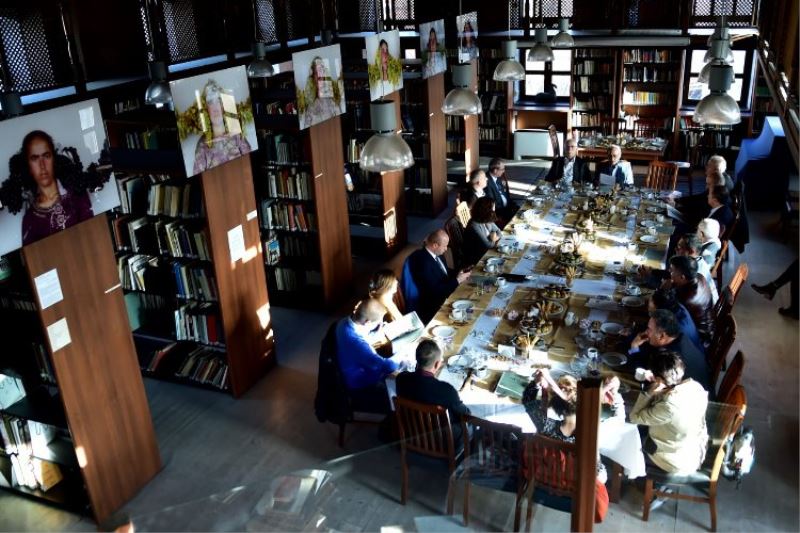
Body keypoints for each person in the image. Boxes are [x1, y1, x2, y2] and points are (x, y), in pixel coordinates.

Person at [523, 369, 623, 483]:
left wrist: (535, 383)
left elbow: (528, 401)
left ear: (556, 407)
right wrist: (615, 392)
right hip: (580, 489)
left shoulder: (545, 426)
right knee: (601, 475)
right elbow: (620, 419)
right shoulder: (595, 431)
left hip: (550, 480)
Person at [629, 351, 709, 476]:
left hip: (676, 461)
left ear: (659, 380)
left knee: (627, 443)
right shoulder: (695, 386)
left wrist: (648, 393)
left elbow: (634, 417)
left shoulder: (669, 406)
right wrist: (661, 385)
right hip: (693, 448)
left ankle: (642, 481)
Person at [12, 131, 95, 245]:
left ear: (54, 159)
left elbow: (92, 233)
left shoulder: (77, 193)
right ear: (29, 167)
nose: (42, 165)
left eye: (46, 156)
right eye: (35, 158)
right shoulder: (30, 220)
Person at [396, 339, 471, 444]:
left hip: (410, 432)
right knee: (470, 426)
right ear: (437, 364)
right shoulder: (446, 390)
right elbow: (466, 414)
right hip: (438, 441)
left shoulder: (401, 378)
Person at [336, 299, 400, 414]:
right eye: (378, 323)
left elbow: (361, 340)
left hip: (349, 369)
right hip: (361, 385)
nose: (379, 324)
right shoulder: (358, 344)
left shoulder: (343, 322)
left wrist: (374, 333)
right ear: (367, 322)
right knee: (401, 390)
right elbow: (388, 366)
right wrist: (402, 358)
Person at [628, 309, 711, 391]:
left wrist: (634, 347)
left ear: (662, 336)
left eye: (649, 329)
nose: (646, 332)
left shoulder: (670, 357)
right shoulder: (681, 338)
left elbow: (641, 374)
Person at [405, 229, 471, 323]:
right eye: (445, 246)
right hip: (433, 304)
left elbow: (445, 272)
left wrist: (459, 272)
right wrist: (457, 280)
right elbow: (435, 291)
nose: (446, 249)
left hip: (444, 292)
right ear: (435, 245)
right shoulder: (423, 263)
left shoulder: (437, 254)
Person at [192, 80, 252, 175]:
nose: (215, 107)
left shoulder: (237, 135)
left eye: (218, 100)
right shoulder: (202, 146)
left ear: (223, 106)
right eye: (210, 102)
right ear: (205, 109)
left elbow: (250, 164)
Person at [664, 255, 714, 345]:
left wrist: (663, 290)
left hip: (695, 339)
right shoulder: (699, 277)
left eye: (671, 271)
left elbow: (664, 313)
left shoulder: (685, 299)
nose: (669, 272)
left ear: (682, 277)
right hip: (706, 328)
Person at [648, 287, 705, 356]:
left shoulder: (673, 326)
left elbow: (659, 343)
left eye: (651, 310)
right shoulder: (677, 306)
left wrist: (634, 348)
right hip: (696, 350)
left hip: (685, 356)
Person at [300, 56, 343, 129]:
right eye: (317, 73)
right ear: (313, 77)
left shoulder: (332, 102)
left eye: (321, 71)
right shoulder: (310, 107)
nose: (320, 76)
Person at [462, 197, 502, 266]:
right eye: (492, 210)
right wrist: (493, 238)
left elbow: (499, 231)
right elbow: (488, 245)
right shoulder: (474, 225)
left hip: (487, 251)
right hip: (478, 257)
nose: (494, 211)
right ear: (486, 211)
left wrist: (494, 237)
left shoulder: (485, 218)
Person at [484, 158, 517, 225]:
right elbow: (492, 203)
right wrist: (508, 211)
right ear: (495, 170)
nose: (504, 171)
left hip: (507, 206)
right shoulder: (486, 182)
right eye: (502, 169)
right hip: (499, 212)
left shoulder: (498, 177)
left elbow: (505, 193)